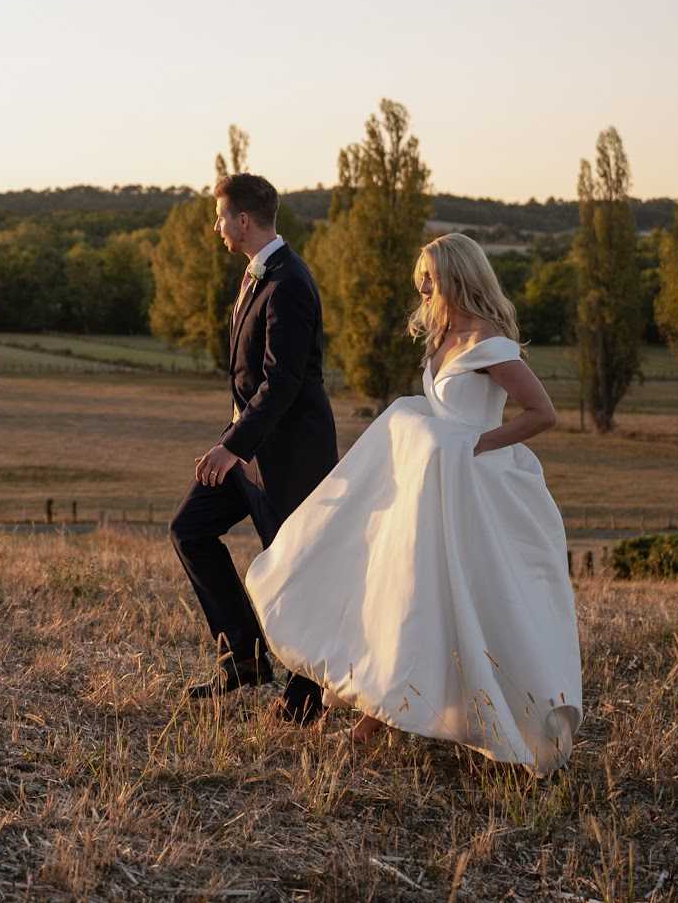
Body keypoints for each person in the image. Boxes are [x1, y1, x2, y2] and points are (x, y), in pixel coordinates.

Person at [245, 232, 583, 772]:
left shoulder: (489, 344)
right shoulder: (443, 336)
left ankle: (398, 723)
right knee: (406, 595)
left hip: (468, 493)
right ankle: (381, 713)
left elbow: (542, 413)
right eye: (420, 278)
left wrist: (477, 444)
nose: (422, 288)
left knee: (462, 604)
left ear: (456, 276)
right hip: (429, 492)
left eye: (429, 277)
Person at [170, 171, 339, 724]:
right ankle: (242, 657)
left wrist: (233, 446)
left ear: (243, 221)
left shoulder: (289, 281)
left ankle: (306, 694)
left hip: (286, 457)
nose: (216, 226)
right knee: (190, 528)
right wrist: (233, 443)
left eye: (221, 217)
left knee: (293, 568)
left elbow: (283, 380)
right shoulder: (257, 275)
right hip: (247, 449)